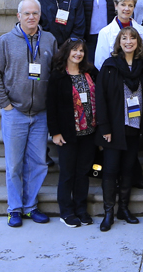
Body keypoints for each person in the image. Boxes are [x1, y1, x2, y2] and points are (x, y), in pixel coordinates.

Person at [0, 0, 57, 227]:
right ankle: (14, 209)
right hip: (14, 112)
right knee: (15, 163)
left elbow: (56, 74)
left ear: (40, 15)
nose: (31, 17)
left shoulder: (49, 40)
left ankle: (30, 206)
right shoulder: (5, 42)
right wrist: (5, 105)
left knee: (38, 162)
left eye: (35, 13)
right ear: (19, 16)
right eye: (26, 13)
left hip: (40, 114)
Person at [95, 27, 143, 231]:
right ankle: (108, 212)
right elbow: (100, 99)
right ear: (118, 43)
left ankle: (124, 209)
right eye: (124, 38)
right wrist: (104, 127)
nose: (128, 41)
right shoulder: (109, 67)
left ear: (138, 42)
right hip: (114, 129)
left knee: (128, 170)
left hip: (135, 127)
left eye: (132, 38)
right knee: (110, 171)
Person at [47, 38, 97, 227]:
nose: (78, 54)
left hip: (89, 132)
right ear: (66, 52)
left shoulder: (90, 73)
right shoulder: (58, 76)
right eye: (74, 50)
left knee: (83, 172)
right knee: (67, 173)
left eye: (81, 51)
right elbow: (51, 107)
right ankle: (66, 212)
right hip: (68, 133)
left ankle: (81, 210)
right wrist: (55, 132)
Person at [94, 0, 143, 70]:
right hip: (114, 76)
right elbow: (100, 62)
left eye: (130, 5)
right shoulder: (105, 32)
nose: (127, 9)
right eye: (123, 4)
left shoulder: (141, 30)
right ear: (116, 6)